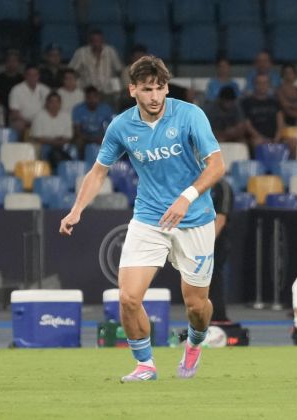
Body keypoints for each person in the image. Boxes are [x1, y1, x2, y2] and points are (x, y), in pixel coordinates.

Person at [59, 56, 226, 382]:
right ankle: (145, 365)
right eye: (147, 89)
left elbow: (217, 166)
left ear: (166, 87)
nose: (154, 96)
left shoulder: (190, 115)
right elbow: (98, 172)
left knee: (196, 306)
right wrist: (77, 208)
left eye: (160, 88)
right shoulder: (121, 125)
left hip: (195, 218)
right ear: (132, 89)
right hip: (149, 218)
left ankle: (194, 342)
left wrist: (185, 197)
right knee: (129, 297)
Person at [69, 29, 123, 96]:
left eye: (98, 40)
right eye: (94, 40)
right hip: (87, 92)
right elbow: (71, 71)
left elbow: (119, 70)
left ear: (103, 40)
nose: (96, 42)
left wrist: (115, 87)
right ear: (90, 41)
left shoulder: (110, 51)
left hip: (108, 92)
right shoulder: (81, 52)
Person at [208, 177, 233, 322]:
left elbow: (221, 219)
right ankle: (200, 319)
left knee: (214, 278)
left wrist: (207, 242)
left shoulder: (222, 187)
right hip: (197, 242)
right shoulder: (195, 184)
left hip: (217, 242)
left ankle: (218, 317)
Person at [30, 91, 73, 169]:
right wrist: (54, 141)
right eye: (52, 102)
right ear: (47, 103)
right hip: (44, 146)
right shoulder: (39, 116)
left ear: (60, 104)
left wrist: (56, 141)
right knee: (49, 151)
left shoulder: (66, 116)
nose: (54, 104)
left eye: (57, 102)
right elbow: (37, 137)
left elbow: (68, 137)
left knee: (68, 150)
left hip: (62, 145)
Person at [241, 73, 284, 148]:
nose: (262, 85)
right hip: (256, 138)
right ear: (254, 85)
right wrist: (262, 138)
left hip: (275, 138)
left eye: (265, 83)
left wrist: (276, 139)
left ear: (269, 84)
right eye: (259, 83)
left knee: (293, 142)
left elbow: (280, 123)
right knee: (257, 143)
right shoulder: (246, 102)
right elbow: (247, 125)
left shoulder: (275, 102)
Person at [8, 64, 50, 135]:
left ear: (38, 76)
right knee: (19, 124)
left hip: (41, 121)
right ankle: (19, 146)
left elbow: (50, 109)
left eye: (35, 75)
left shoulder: (45, 89)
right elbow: (14, 113)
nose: (32, 78)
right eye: (29, 75)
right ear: (25, 76)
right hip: (22, 121)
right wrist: (29, 123)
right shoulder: (16, 89)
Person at [72, 86, 113, 153]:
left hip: (101, 136)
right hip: (85, 137)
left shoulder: (106, 109)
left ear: (98, 97)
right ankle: (82, 162)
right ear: (85, 98)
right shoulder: (78, 109)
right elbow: (77, 131)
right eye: (89, 98)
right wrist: (92, 139)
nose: (92, 100)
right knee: (78, 141)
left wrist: (103, 138)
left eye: (94, 97)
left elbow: (112, 128)